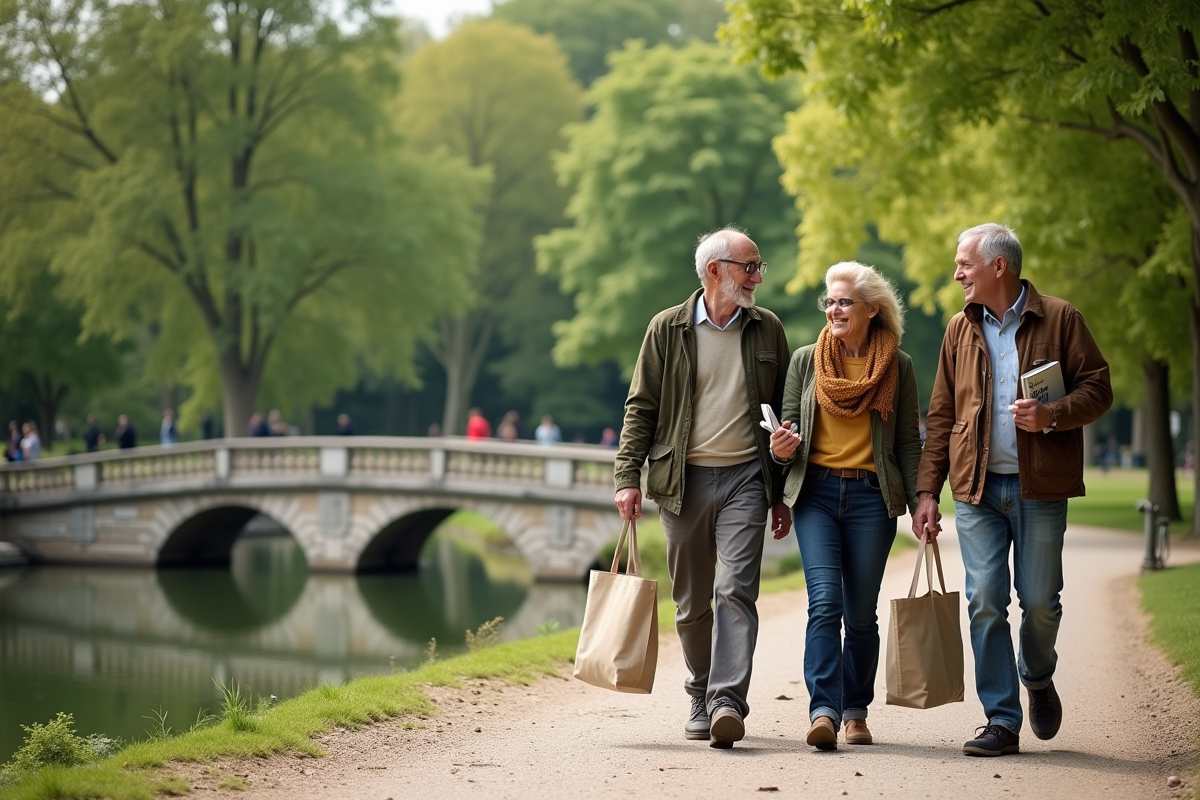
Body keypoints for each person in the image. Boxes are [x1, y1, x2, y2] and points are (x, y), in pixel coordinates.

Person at [911, 223, 1113, 758]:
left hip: (1040, 488)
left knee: (1042, 603)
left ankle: (1038, 676)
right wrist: (928, 491)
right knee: (984, 601)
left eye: (964, 264)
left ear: (998, 266)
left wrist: (1052, 415)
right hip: (976, 492)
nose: (956, 274)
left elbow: (1099, 388)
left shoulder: (1062, 318)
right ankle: (1001, 719)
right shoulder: (959, 328)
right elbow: (942, 413)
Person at [614, 227, 791, 749]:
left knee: (736, 588)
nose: (758, 277)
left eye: (758, 267)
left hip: (747, 478)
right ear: (716, 271)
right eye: (749, 267)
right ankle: (699, 689)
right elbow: (640, 407)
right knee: (692, 603)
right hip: (682, 481)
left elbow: (785, 409)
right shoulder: (666, 328)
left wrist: (781, 486)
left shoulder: (768, 329)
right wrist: (627, 477)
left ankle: (727, 701)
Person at [768, 261, 923, 751]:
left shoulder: (898, 366)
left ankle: (856, 711)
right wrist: (781, 450)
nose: (833, 309)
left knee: (860, 614)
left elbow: (907, 444)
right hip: (814, 494)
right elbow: (784, 432)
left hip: (870, 498)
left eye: (844, 302)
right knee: (825, 604)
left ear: (871, 309)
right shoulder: (806, 360)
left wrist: (923, 500)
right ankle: (823, 711)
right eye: (829, 301)